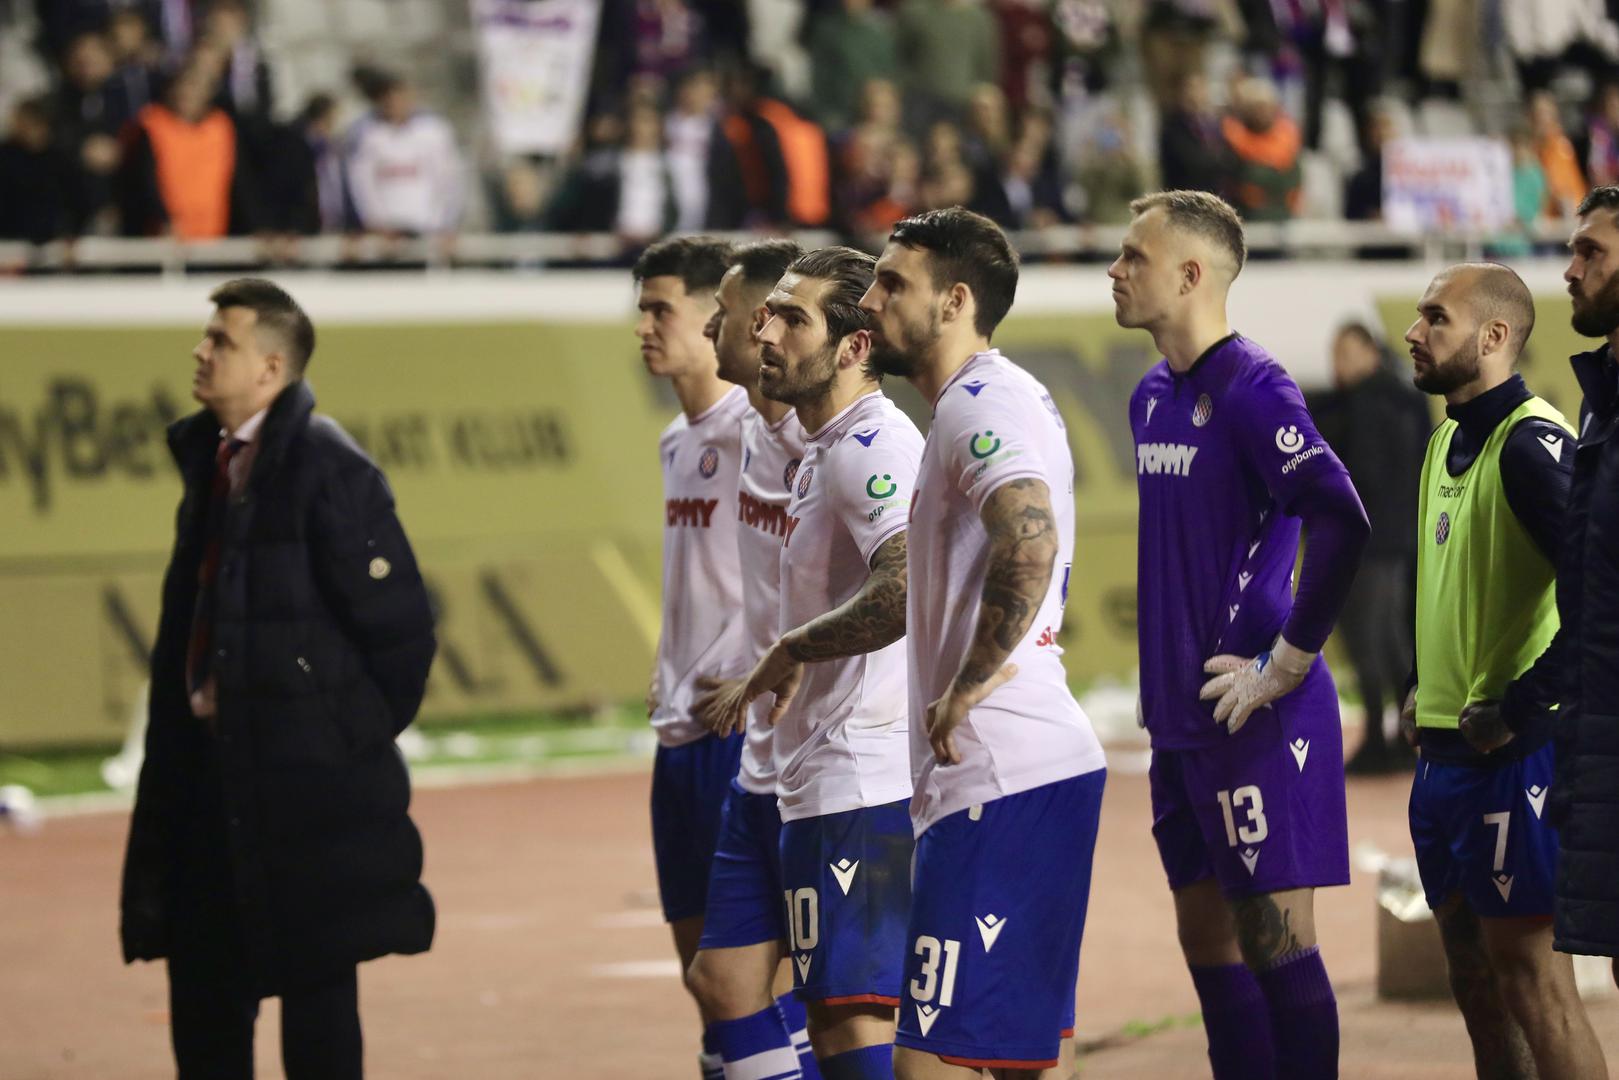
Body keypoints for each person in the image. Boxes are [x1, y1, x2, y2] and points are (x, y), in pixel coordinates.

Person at [118, 278, 437, 1078]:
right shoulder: (208, 459)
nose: (200, 350)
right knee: (204, 997)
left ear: (269, 368)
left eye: (219, 340)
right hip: (205, 774)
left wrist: (325, 736)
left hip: (304, 790)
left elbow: (399, 638)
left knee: (317, 1005)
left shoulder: (330, 465)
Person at [1110, 190, 1369, 1079]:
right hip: (1180, 724)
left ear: (1190, 274)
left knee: (1277, 949)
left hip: (1254, 716)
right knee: (1206, 949)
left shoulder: (1256, 386)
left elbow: (1340, 516)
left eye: (1132, 257)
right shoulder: (1149, 395)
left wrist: (1288, 661)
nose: (1114, 270)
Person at [861, 206, 1108, 1078]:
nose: (870, 299)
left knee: (927, 1062)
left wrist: (969, 680)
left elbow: (1028, 537)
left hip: (997, 773)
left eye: (893, 283)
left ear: (954, 300)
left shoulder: (980, 402)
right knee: (1023, 1060)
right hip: (1029, 771)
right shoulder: (982, 401)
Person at [711, 245, 921, 1078]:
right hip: (818, 775)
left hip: (859, 778)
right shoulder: (822, 443)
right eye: (767, 312)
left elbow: (905, 585)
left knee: (851, 1023)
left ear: (853, 346)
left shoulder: (869, 445)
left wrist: (794, 645)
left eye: (792, 318)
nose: (766, 330)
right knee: (831, 1023)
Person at [1400, 263, 1608, 1078]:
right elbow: (1456, 586)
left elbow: (1595, 589)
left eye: (1434, 318)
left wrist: (1524, 705)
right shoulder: (1447, 436)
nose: (1413, 333)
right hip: (1443, 758)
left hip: (1512, 760)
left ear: (1492, 338)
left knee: (1532, 986)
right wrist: (1430, 684)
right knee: (1475, 981)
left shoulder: (1531, 443)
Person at [1472, 183, 1619, 986]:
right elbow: (1595, 603)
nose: (1568, 270)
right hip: (1597, 739)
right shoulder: (1600, 407)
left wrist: (1528, 705)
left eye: (1590, 252)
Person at [684, 239, 821, 1080]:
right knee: (723, 978)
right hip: (761, 756)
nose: (709, 324)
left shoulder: (835, 440)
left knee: (838, 999)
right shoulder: (748, 432)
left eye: (722, 312)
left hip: (836, 762)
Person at [632, 236, 753, 1080]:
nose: (642, 326)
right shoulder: (679, 439)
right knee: (700, 980)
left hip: (739, 729)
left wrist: (760, 667)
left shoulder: (760, 428)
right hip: (679, 732)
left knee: (748, 979)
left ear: (715, 316)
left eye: (658, 308)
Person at [1309, 322, 1429, 773]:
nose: (1336, 363)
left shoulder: (1374, 404)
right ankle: (1401, 734)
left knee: (1372, 641)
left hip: (1372, 542)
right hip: (1389, 541)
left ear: (1370, 352)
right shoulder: (1399, 400)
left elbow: (1373, 477)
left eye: (1345, 352)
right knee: (1385, 641)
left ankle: (1388, 736)